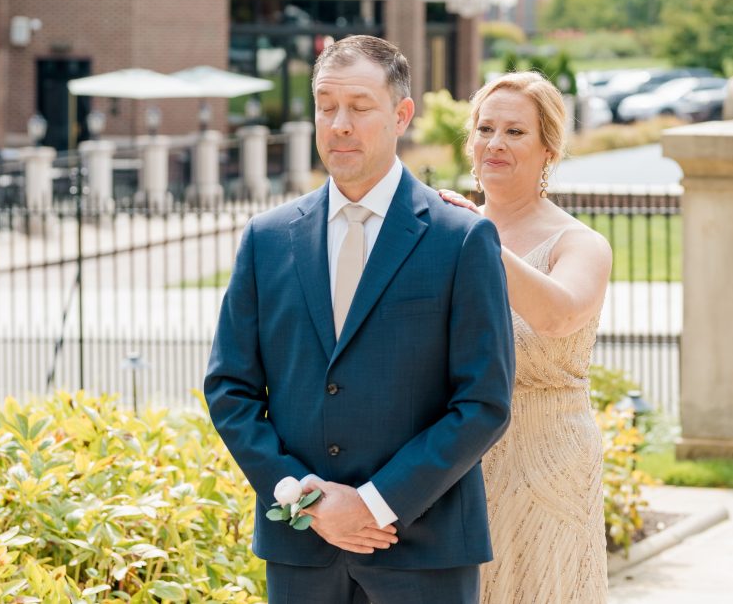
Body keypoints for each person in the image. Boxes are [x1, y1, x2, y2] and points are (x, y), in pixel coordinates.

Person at [203, 35, 515, 604]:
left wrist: (372, 503)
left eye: (359, 107)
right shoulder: (267, 239)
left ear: (401, 115)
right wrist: (305, 500)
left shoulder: (462, 239)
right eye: (326, 107)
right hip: (301, 550)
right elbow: (230, 389)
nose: (339, 124)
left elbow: (484, 403)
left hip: (423, 550)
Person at [440, 70, 612, 603]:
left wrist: (481, 239)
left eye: (515, 132)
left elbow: (558, 317)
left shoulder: (579, 244)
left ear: (548, 150)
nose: (495, 143)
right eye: (485, 129)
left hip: (549, 464)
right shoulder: (444, 232)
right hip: (454, 467)